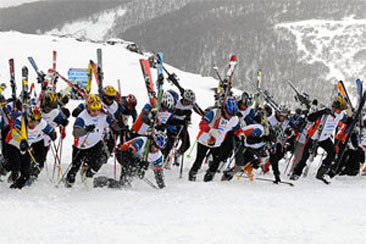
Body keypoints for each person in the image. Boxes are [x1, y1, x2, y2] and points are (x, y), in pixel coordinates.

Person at [64, 94, 124, 188]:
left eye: (97, 110)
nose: (96, 112)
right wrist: (86, 130)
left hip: (96, 143)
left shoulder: (103, 113)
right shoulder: (82, 117)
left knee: (101, 159)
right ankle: (68, 184)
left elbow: (114, 125)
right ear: (88, 108)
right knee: (75, 168)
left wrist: (120, 125)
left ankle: (89, 174)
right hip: (81, 146)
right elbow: (75, 133)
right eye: (93, 110)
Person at [291, 95, 350, 184]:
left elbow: (347, 120)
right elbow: (310, 118)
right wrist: (322, 112)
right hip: (313, 137)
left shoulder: (340, 115)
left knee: (332, 153)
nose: (339, 112)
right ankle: (296, 173)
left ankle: (321, 173)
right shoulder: (325, 113)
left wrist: (352, 118)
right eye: (338, 109)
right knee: (305, 156)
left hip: (324, 138)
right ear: (333, 107)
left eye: (341, 110)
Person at [188, 97, 245, 182]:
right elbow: (202, 124)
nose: (230, 117)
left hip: (217, 143)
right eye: (228, 114)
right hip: (204, 141)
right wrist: (210, 130)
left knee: (216, 162)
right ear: (224, 109)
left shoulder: (234, 119)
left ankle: (209, 177)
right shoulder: (214, 113)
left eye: (232, 115)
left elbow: (237, 129)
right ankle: (192, 174)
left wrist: (240, 134)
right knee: (199, 161)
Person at [6, 105, 57, 189]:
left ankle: (15, 189)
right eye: (32, 120)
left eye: (37, 121)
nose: (34, 123)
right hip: (14, 145)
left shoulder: (42, 123)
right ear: (28, 117)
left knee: (26, 174)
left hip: (26, 147)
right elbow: (14, 133)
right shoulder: (21, 121)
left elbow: (49, 129)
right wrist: (21, 140)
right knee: (16, 169)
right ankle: (8, 171)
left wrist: (52, 134)